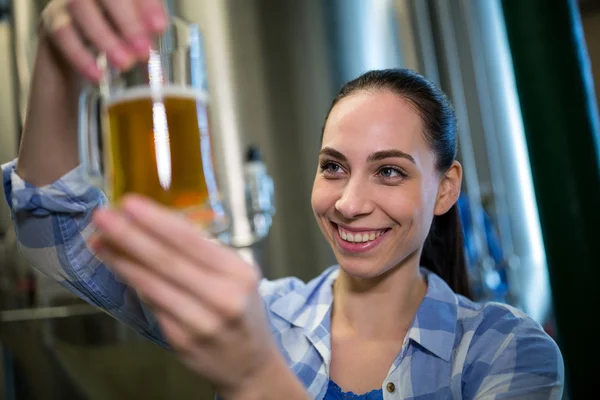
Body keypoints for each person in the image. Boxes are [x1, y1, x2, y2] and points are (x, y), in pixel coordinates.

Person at [2, 1, 563, 399]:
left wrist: (254, 379)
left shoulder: (506, 351)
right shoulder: (263, 314)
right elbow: (58, 231)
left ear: (446, 188)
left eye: (389, 171)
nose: (349, 202)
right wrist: (56, 62)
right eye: (333, 167)